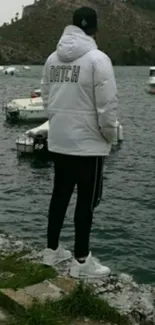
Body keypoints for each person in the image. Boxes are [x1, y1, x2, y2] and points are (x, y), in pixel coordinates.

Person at [41, 6, 118, 278]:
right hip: (89, 146)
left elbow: (46, 97)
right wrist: (109, 136)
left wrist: (59, 124)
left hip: (60, 142)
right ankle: (82, 261)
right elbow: (107, 108)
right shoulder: (98, 59)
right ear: (95, 29)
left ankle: (51, 251)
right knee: (87, 201)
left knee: (59, 196)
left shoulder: (53, 59)